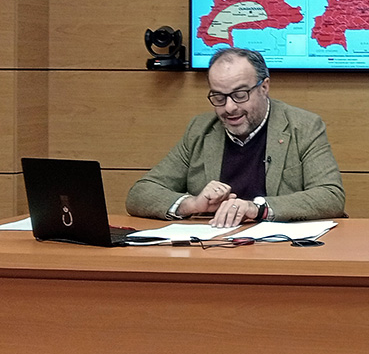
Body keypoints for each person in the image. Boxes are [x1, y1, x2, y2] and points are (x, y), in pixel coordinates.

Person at [126, 47, 346, 227]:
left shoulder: (304, 126)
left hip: (280, 251)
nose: (229, 107)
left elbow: (330, 196)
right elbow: (140, 194)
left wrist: (258, 208)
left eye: (240, 95)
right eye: (219, 97)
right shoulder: (200, 129)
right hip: (213, 250)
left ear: (264, 87)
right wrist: (192, 204)